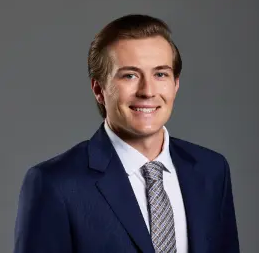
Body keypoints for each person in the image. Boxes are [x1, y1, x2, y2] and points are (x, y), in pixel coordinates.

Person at [14, 14, 240, 253]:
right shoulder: (54, 184)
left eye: (160, 74)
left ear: (175, 84)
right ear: (99, 90)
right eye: (130, 75)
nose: (147, 91)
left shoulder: (212, 170)